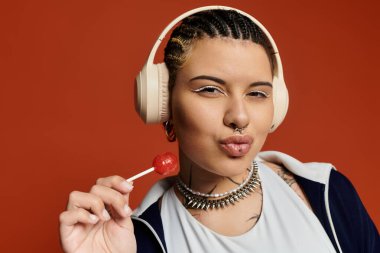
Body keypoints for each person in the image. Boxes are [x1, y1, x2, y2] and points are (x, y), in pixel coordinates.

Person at [59, 6, 379, 253]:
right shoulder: (135, 240)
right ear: (164, 105)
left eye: (256, 93)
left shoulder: (326, 193)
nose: (239, 117)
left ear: (276, 105)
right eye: (210, 90)